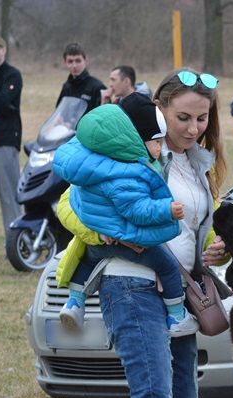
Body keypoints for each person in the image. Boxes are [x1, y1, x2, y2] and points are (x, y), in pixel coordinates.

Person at [57, 68, 229, 398]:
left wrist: (215, 245)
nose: (193, 129)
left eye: (202, 119)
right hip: (132, 287)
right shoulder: (131, 153)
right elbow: (67, 205)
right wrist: (110, 234)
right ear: (160, 110)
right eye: (183, 117)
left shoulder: (198, 164)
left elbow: (191, 225)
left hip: (181, 295)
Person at [54, 92, 198, 338]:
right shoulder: (129, 173)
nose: (159, 148)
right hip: (130, 243)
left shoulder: (96, 161)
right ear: (138, 139)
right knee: (168, 267)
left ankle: (74, 303)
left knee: (87, 262)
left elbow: (80, 201)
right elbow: (137, 210)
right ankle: (176, 315)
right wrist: (167, 210)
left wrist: (99, 230)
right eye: (156, 142)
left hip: (98, 243)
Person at [0, 34, 22, 239]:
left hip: (5, 140)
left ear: (3, 50)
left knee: (9, 196)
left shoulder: (12, 75)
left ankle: (17, 241)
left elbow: (0, 103)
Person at [56, 42, 106, 113]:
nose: (74, 65)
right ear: (65, 63)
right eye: (70, 61)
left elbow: (104, 116)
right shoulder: (66, 87)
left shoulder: (97, 87)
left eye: (78, 61)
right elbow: (59, 113)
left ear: (85, 61)